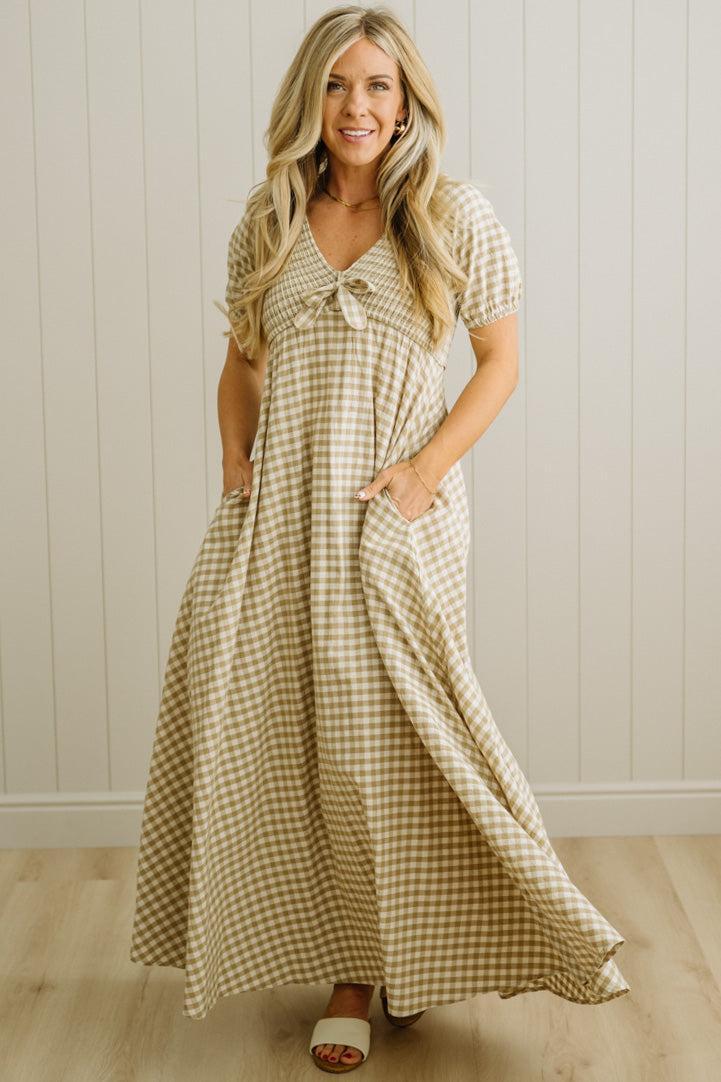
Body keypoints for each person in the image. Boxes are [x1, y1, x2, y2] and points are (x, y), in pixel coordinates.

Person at [130, 4, 630, 1074]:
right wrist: (235, 459)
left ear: (407, 103)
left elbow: (499, 361)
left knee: (390, 739)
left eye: (379, 87)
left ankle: (388, 959)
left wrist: (423, 474)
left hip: (393, 517)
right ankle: (361, 958)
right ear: (309, 98)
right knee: (293, 734)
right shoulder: (268, 223)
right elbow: (243, 361)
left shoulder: (451, 213)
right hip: (281, 520)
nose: (358, 107)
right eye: (338, 85)